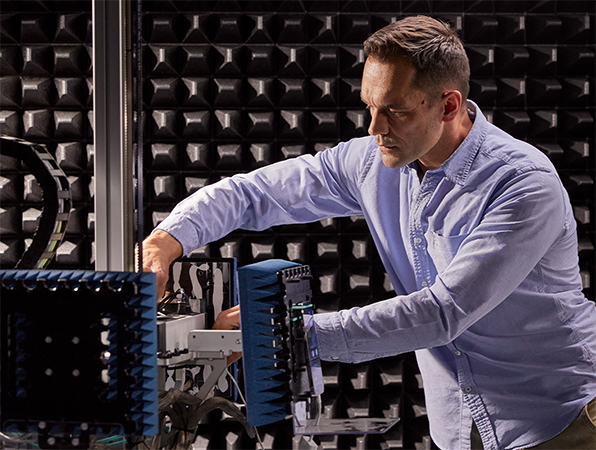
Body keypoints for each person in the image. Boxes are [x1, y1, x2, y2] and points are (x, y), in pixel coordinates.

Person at [142, 15, 596, 450]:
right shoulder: (373, 161)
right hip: (454, 426)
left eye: (394, 111)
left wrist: (283, 337)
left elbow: (442, 313)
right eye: (370, 107)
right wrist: (168, 238)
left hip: (556, 421)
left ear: (449, 105)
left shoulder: (522, 183)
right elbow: (256, 193)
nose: (375, 129)